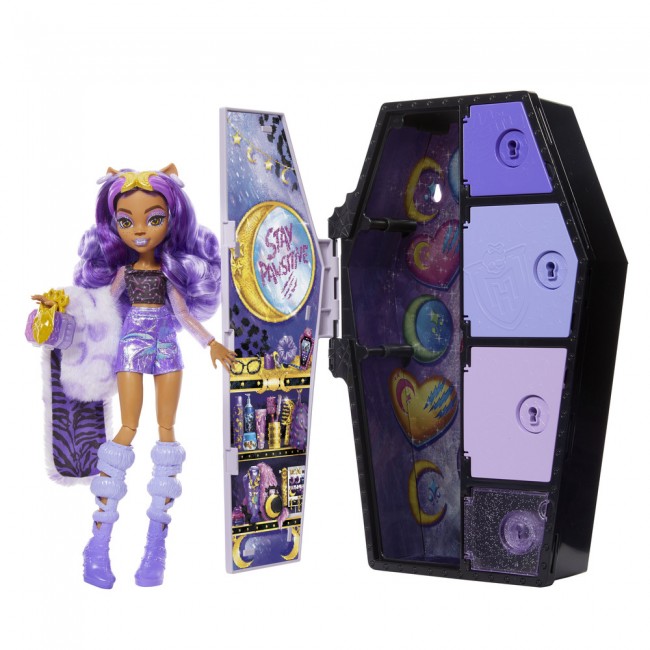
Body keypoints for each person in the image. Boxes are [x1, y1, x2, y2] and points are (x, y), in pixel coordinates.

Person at [32, 164, 235, 588]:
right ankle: (98, 542)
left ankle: (155, 546)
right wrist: (60, 308)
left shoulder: (168, 275)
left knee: (167, 433)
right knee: (127, 429)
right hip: (131, 346)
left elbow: (184, 315)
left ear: (171, 221)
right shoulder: (123, 274)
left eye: (153, 218)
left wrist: (212, 343)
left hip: (167, 347)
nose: (140, 230)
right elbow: (100, 307)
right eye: (127, 222)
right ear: (114, 227)